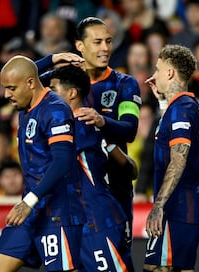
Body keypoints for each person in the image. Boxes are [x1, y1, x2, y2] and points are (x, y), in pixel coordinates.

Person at [0, 55, 85, 272]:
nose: (6, 94)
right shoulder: (25, 101)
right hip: (29, 214)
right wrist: (53, 58)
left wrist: (29, 201)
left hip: (57, 213)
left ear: (30, 84)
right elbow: (25, 72)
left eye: (10, 88)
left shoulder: (56, 110)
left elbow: (62, 161)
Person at [48, 64, 135, 271]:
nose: (47, 95)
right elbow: (130, 168)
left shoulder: (72, 127)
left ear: (71, 93)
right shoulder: (96, 124)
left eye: (52, 89)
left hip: (95, 221)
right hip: (92, 218)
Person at [73, 17, 141, 271]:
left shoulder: (124, 84)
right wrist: (51, 60)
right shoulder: (65, 84)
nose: (105, 48)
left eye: (109, 41)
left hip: (115, 189)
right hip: (77, 193)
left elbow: (130, 129)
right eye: (97, 42)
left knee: (119, 261)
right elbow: (22, 79)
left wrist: (102, 121)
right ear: (80, 46)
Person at [143, 44, 199, 271]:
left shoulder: (182, 109)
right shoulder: (181, 108)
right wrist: (161, 102)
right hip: (183, 210)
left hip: (177, 209)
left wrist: (159, 206)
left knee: (157, 268)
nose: (154, 74)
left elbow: (179, 159)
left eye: (158, 69)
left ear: (170, 73)